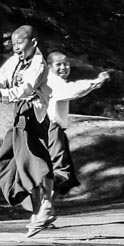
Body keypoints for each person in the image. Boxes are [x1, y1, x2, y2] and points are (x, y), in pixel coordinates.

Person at [0, 25, 55, 238]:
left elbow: (26, 88)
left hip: (33, 114)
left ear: (33, 43)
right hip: (20, 114)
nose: (16, 48)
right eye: (13, 44)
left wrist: (0, 94)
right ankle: (39, 210)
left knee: (34, 160)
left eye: (20, 43)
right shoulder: (15, 61)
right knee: (11, 160)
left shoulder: (38, 63)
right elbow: (0, 83)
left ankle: (44, 208)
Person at [45, 51, 110, 201]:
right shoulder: (51, 81)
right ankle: (41, 213)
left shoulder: (54, 81)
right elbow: (71, 91)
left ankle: (45, 211)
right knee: (59, 173)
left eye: (66, 64)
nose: (64, 67)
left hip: (55, 130)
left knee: (61, 174)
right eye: (59, 64)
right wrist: (95, 82)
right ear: (49, 67)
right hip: (51, 129)